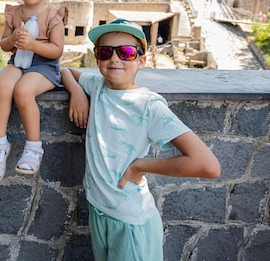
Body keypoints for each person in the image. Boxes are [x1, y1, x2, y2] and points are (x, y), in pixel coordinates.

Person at [60, 19, 221, 261]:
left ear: (141, 61)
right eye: (106, 52)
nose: (115, 59)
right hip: (100, 210)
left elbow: (208, 165)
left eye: (126, 52)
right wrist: (76, 93)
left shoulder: (148, 106)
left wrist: (140, 166)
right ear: (97, 59)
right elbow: (65, 70)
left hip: (131, 223)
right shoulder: (98, 87)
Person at [0, 0, 68, 184]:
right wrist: (13, 39)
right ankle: (0, 145)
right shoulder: (14, 13)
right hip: (19, 60)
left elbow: (56, 50)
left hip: (44, 66)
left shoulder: (53, 16)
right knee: (2, 85)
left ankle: (34, 147)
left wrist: (33, 45)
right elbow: (4, 44)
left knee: (23, 91)